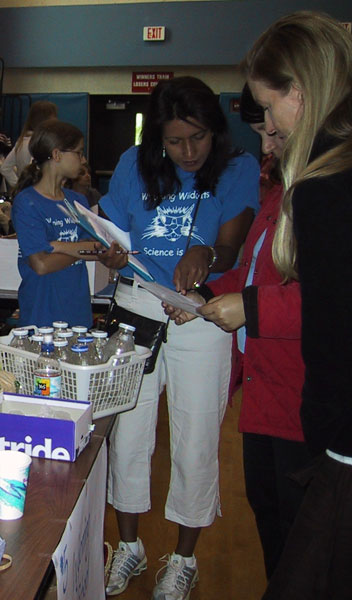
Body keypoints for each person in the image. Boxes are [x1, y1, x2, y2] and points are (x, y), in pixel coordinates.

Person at [98, 76, 259, 600]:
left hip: (200, 311)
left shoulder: (238, 168)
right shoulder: (131, 165)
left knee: (195, 436)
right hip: (136, 305)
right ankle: (129, 547)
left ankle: (184, 559)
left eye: (198, 138)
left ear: (216, 130)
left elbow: (232, 244)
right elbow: (113, 234)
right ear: (157, 141)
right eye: (174, 141)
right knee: (128, 433)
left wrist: (207, 255)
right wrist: (111, 252)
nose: (188, 152)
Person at [164, 84, 309, 581]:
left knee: (302, 538)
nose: (267, 146)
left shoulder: (320, 195)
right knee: (271, 519)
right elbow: (247, 270)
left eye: (272, 127)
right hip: (265, 396)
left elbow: (327, 301)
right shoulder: (278, 197)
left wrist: (245, 306)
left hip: (301, 400)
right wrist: (202, 298)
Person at [241, 11, 352, 598]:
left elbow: (330, 320)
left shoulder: (324, 187)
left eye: (270, 108)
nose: (268, 124)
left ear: (302, 95)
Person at [12, 119, 100, 328]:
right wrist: (80, 249)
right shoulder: (27, 202)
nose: (83, 159)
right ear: (57, 155)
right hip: (42, 315)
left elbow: (97, 249)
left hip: (77, 312)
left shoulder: (78, 201)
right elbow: (41, 265)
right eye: (78, 153)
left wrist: (57, 246)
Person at [0, 100, 57, 190]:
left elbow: (5, 168)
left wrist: (19, 186)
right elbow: (5, 169)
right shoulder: (38, 143)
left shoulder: (21, 142)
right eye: (54, 118)